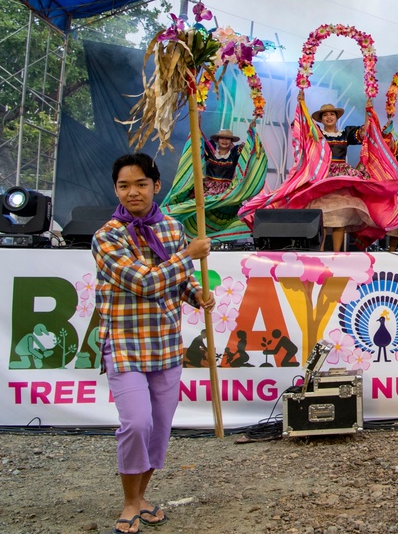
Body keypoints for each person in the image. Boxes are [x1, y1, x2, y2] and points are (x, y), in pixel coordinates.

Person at [93, 152, 215, 533]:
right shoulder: (106, 237)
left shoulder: (174, 229)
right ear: (115, 190)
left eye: (141, 184)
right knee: (136, 424)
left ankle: (143, 494)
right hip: (125, 345)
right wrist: (188, 256)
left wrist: (198, 295)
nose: (133, 192)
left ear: (156, 186)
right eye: (124, 186)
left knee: (160, 428)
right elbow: (145, 282)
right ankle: (130, 502)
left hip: (165, 345)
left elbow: (181, 279)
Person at [309, 99, 368, 251]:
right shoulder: (318, 133)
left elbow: (364, 132)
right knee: (322, 216)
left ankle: (337, 253)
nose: (329, 117)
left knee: (340, 216)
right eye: (325, 116)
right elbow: (299, 127)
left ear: (336, 117)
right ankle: (319, 252)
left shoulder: (346, 133)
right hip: (324, 175)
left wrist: (368, 111)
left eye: (331, 114)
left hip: (341, 175)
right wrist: (301, 102)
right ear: (321, 120)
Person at [203, 125, 251, 196]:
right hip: (207, 188)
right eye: (222, 138)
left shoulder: (235, 153)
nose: (224, 140)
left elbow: (249, 148)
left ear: (231, 141)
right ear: (217, 140)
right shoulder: (210, 151)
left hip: (226, 192)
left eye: (227, 138)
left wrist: (251, 130)